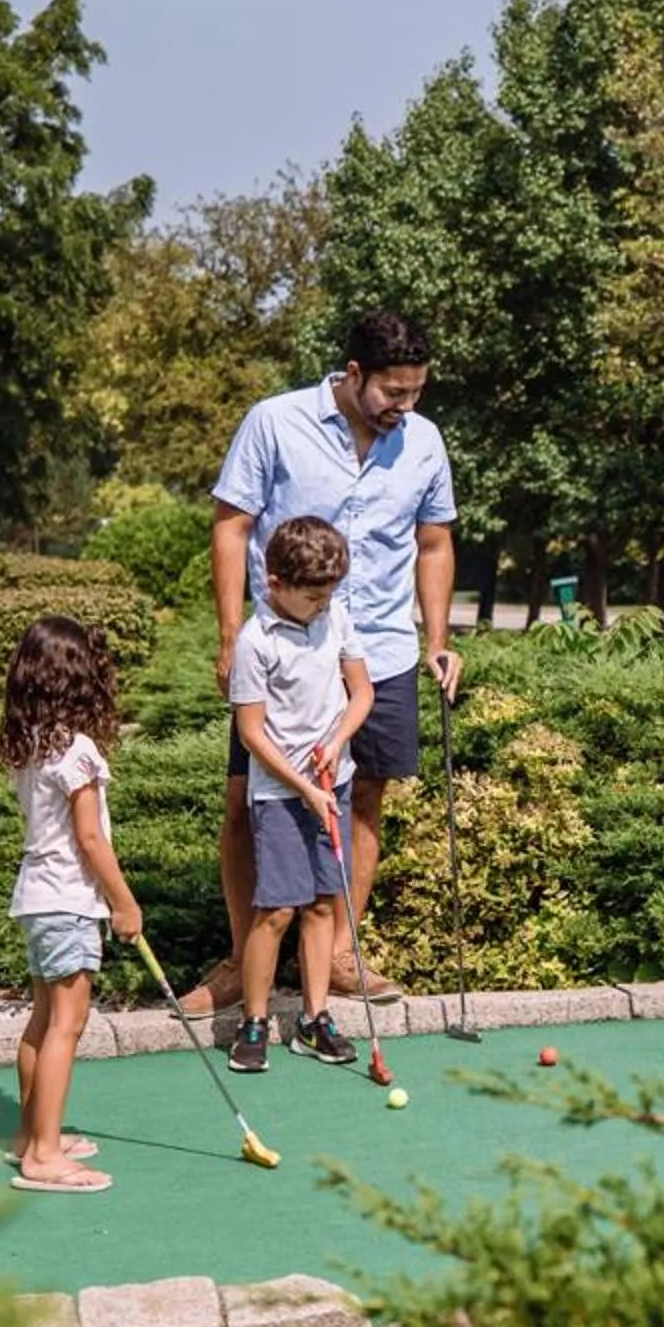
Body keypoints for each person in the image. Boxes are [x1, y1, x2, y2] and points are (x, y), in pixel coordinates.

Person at [184, 309, 462, 1014]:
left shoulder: (424, 442)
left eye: (417, 392)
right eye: (394, 393)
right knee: (247, 805)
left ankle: (338, 952)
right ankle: (245, 953)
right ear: (354, 374)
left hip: (382, 651)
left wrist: (437, 639)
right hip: (284, 652)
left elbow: (433, 544)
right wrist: (227, 636)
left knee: (364, 797)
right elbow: (231, 525)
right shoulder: (274, 423)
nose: (407, 407)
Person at [225, 517, 375, 1071]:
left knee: (319, 905)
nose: (320, 605)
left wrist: (336, 743)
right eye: (311, 595)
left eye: (327, 595)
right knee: (276, 909)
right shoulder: (255, 641)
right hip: (280, 794)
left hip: (331, 781)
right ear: (274, 582)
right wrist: (305, 787)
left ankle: (314, 1021)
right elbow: (252, 733)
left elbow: (361, 692)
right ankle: (255, 1021)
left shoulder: (334, 616)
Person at [0, 616, 138, 1193]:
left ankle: (32, 1136)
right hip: (69, 900)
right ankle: (45, 1157)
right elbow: (90, 839)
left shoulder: (29, 743)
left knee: (42, 1020)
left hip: (36, 897)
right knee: (67, 1025)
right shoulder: (76, 750)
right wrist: (124, 902)